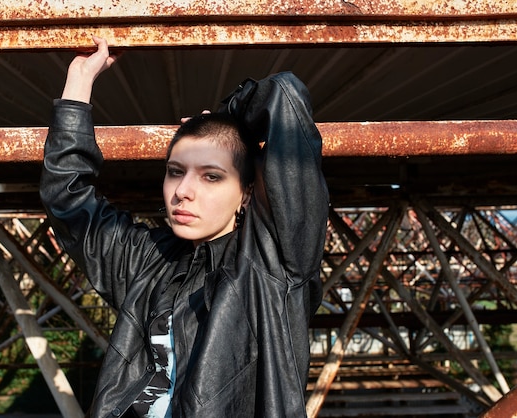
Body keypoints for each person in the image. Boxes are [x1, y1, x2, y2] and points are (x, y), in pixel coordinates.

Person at [40, 35, 329, 418]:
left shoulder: (274, 263)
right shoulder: (146, 261)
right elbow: (67, 199)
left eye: (211, 177)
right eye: (176, 172)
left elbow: (286, 97)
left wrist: (225, 120)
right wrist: (79, 80)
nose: (183, 192)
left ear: (246, 192)